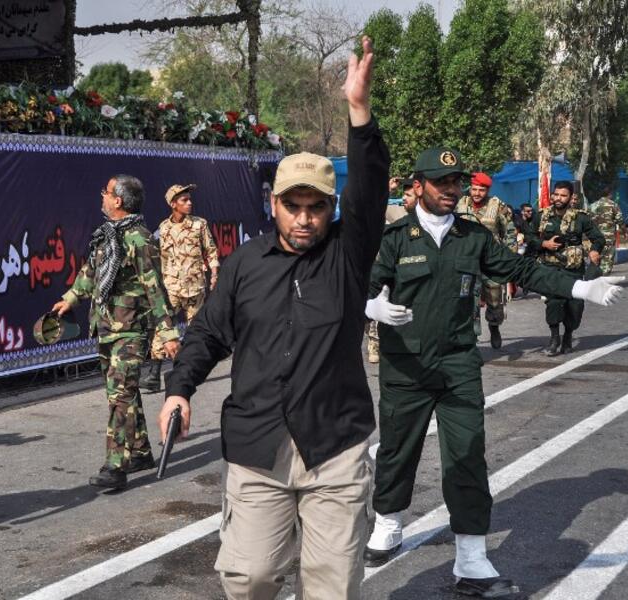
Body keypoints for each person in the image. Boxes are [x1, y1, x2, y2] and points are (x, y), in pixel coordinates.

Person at [158, 37, 388, 600]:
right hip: (258, 444)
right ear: (274, 204)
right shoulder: (244, 265)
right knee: (250, 577)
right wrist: (179, 390)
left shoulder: (347, 254)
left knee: (331, 586)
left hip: (334, 445)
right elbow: (209, 332)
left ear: (331, 211)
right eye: (294, 206)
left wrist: (359, 113)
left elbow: (371, 189)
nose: (305, 218)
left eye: (317, 207)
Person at [363, 147, 624, 598]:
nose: (452, 190)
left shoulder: (473, 237)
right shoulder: (394, 238)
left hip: (458, 364)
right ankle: (388, 520)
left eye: (456, 182)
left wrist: (581, 286)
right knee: (396, 451)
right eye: (442, 182)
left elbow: (521, 268)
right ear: (419, 185)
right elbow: (359, 285)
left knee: (466, 456)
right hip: (405, 366)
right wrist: (372, 306)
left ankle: (471, 558)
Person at [52, 175, 180, 490]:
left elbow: (155, 287)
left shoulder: (139, 238)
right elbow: (89, 274)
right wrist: (69, 299)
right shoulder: (107, 235)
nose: (103, 196)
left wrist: (168, 332)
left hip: (131, 330)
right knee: (122, 392)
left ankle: (115, 466)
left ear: (118, 201)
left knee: (120, 396)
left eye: (106, 192)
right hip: (106, 327)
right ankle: (140, 452)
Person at [141, 184, 220, 392]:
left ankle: (190, 371)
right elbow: (160, 258)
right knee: (163, 328)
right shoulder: (164, 228)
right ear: (173, 204)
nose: (189, 203)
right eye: (184, 200)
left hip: (195, 287)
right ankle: (154, 374)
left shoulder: (199, 225)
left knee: (196, 331)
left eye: (189, 199)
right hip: (171, 288)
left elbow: (211, 251)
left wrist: (214, 274)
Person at [527, 181, 606, 356]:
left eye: (563, 195)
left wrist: (594, 251)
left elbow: (599, 238)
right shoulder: (542, 216)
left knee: (575, 305)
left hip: (573, 269)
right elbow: (529, 237)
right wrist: (544, 243)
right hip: (550, 267)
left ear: (571, 198)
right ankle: (554, 337)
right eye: (556, 194)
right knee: (553, 302)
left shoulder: (581, 218)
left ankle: (568, 334)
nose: (558, 198)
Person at [455, 172, 517, 349]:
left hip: (491, 262)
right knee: (468, 300)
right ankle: (472, 337)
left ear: (487, 190)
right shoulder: (459, 204)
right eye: (474, 189)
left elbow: (510, 232)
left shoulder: (497, 206)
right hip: (466, 261)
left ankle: (494, 326)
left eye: (481, 190)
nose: (476, 193)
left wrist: (509, 259)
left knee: (495, 300)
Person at [370, 177, 420, 363]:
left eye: (409, 194)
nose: (404, 198)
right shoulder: (397, 211)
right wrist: (387, 190)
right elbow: (373, 207)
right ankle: (374, 343)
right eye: (404, 194)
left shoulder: (431, 218)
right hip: (391, 270)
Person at [588, 187, 624, 275]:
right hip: (608, 237)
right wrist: (625, 232)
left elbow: (587, 221)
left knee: (596, 257)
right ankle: (604, 278)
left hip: (595, 237)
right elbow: (620, 221)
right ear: (610, 194)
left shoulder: (592, 206)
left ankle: (594, 278)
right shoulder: (613, 205)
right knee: (607, 259)